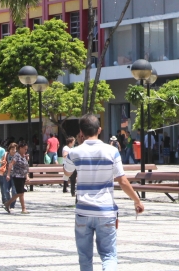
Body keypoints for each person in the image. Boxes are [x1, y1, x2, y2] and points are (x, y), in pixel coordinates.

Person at [63, 113, 145, 271]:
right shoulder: (112, 151)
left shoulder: (75, 152)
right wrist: (137, 200)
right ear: (99, 130)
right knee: (109, 255)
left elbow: (66, 174)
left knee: (84, 257)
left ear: (81, 132)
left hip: (83, 211)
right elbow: (122, 180)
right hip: (105, 211)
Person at [4, 143, 31, 214]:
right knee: (20, 192)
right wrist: (8, 174)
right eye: (25, 149)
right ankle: (9, 204)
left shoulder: (24, 156)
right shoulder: (17, 155)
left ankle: (22, 208)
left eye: (26, 149)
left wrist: (27, 176)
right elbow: (11, 164)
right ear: (20, 148)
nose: (26, 150)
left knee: (21, 193)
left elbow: (26, 167)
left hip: (22, 176)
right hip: (17, 176)